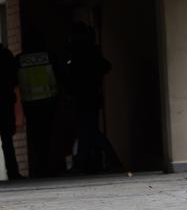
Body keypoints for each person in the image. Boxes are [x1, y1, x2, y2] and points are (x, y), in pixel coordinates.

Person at [63, 22, 115, 174]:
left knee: (87, 130)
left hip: (83, 97)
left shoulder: (77, 52)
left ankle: (89, 161)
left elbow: (70, 77)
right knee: (88, 130)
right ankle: (88, 161)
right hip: (91, 96)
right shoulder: (90, 50)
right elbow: (105, 67)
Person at [17, 34, 58, 178]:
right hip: (48, 101)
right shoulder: (48, 56)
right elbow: (58, 75)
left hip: (31, 103)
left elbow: (14, 80)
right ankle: (48, 165)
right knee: (48, 134)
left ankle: (40, 166)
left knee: (35, 136)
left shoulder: (20, 60)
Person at [0, 42, 20, 180]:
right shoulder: (5, 55)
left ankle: (13, 172)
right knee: (7, 140)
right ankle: (12, 172)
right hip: (5, 101)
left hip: (5, 100)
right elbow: (14, 77)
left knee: (7, 140)